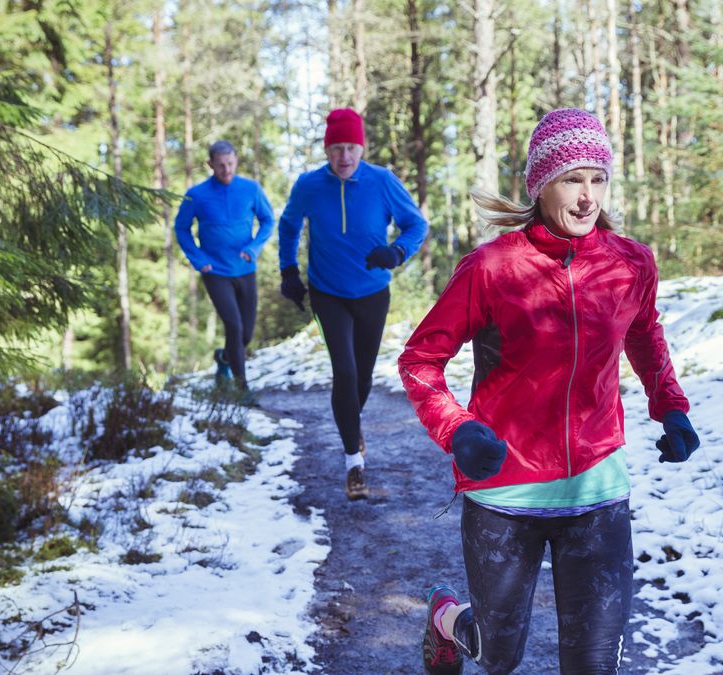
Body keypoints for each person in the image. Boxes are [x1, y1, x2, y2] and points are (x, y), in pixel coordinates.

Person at [398, 108, 700, 674]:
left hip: (598, 488)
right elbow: (420, 361)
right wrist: (457, 428)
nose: (588, 197)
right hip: (506, 494)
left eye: (598, 178)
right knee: (498, 656)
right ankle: (445, 617)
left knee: (593, 666)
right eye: (572, 179)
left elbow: (645, 334)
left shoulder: (631, 263)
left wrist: (672, 409)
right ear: (540, 186)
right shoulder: (491, 268)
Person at [278, 108, 429, 500]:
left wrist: (397, 252)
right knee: (344, 372)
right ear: (327, 150)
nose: (344, 157)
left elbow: (417, 224)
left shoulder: (381, 181)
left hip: (373, 293)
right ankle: (353, 464)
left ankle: (352, 424)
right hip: (328, 293)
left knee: (361, 377)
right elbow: (289, 225)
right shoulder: (309, 185)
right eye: (336, 148)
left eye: (351, 148)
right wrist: (288, 271)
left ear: (361, 148)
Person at [174, 140, 275, 404]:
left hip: (245, 268)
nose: (226, 170)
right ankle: (242, 389)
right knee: (233, 324)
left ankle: (225, 358)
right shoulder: (197, 194)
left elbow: (268, 220)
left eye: (230, 163)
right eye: (220, 165)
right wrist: (199, 259)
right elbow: (181, 228)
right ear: (210, 165)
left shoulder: (250, 189)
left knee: (246, 334)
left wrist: (254, 248)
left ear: (236, 161)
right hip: (215, 271)